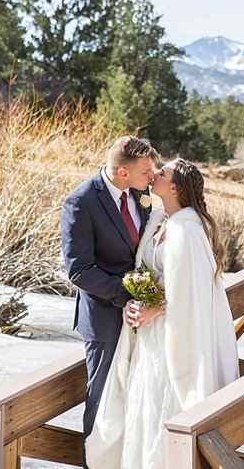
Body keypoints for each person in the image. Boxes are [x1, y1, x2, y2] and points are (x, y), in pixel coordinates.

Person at [85, 158, 240, 469]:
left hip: (175, 331)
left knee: (165, 400)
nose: (155, 173)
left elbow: (191, 288)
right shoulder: (159, 221)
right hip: (150, 334)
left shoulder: (189, 229)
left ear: (174, 187)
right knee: (145, 402)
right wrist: (137, 301)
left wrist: (154, 308)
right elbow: (148, 272)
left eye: (163, 172)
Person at [61, 135, 159, 462]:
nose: (153, 176)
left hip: (143, 316)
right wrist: (126, 296)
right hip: (104, 319)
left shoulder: (140, 191)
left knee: (136, 394)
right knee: (103, 400)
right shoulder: (81, 202)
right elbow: (79, 269)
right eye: (146, 171)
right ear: (122, 174)